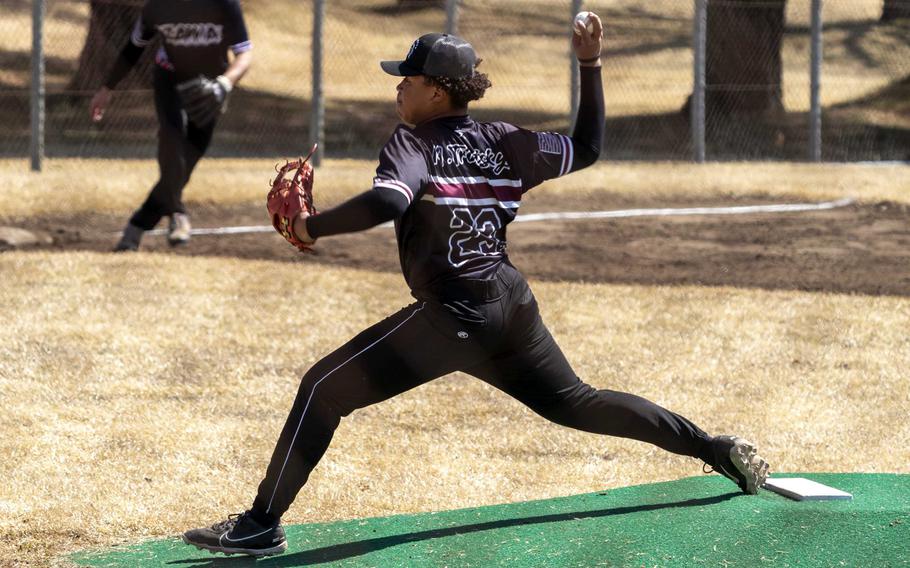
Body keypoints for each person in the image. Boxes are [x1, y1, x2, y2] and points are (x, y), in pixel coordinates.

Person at [183, 14, 769, 558]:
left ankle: (261, 525)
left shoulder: (414, 142)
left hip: (452, 317)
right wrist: (590, 66)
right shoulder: (504, 141)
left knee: (321, 389)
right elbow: (587, 147)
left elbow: (390, 200)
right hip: (509, 304)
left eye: (406, 79)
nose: (397, 89)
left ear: (436, 90)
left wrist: (312, 226)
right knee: (577, 401)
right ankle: (712, 449)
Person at [89, 0, 253, 251]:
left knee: (187, 161)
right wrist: (107, 88)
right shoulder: (158, 6)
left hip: (211, 84)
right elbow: (133, 48)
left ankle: (136, 227)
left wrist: (224, 84)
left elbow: (244, 53)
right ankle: (177, 213)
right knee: (171, 137)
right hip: (170, 77)